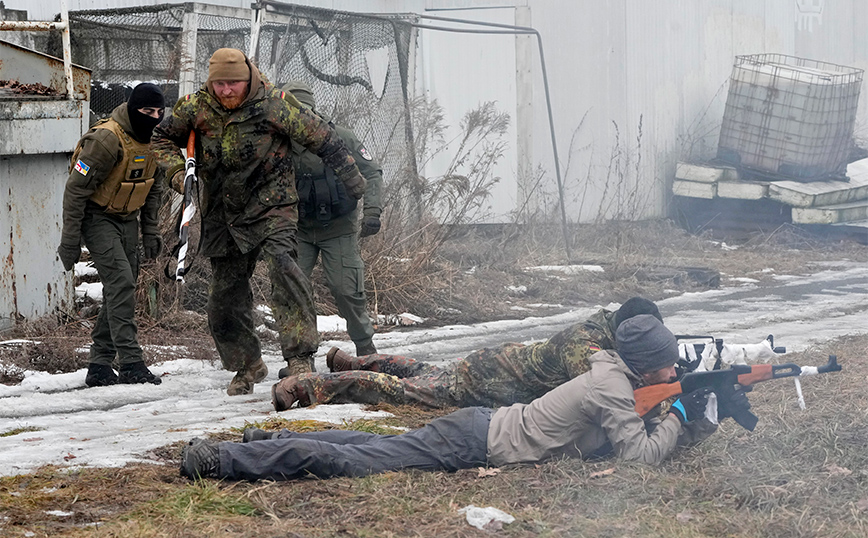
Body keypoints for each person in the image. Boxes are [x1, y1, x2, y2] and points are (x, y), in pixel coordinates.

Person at [180, 315, 748, 481]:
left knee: (373, 444)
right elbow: (639, 454)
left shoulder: (616, 375)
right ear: (647, 364)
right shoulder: (610, 385)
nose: (676, 370)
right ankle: (225, 459)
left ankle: (264, 441)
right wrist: (677, 413)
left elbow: (626, 433)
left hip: (480, 428)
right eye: (670, 363)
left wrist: (698, 416)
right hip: (476, 439)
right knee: (351, 459)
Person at [151, 49, 367, 395]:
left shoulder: (275, 104)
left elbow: (324, 139)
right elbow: (160, 139)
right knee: (224, 296)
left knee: (284, 269)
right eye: (219, 83)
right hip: (223, 213)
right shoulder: (195, 107)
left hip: (272, 206)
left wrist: (354, 181)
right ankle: (246, 365)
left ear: (248, 78)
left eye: (233, 83)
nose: (226, 91)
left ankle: (300, 358)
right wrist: (178, 173)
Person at [270, 297, 662, 410]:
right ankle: (306, 385)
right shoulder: (588, 345)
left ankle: (349, 361)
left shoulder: (601, 329)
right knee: (399, 391)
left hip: (493, 367)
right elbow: (600, 392)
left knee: (422, 371)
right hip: (487, 380)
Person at [57, 82, 166, 387]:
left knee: (121, 288)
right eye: (147, 111)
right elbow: (75, 190)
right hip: (97, 217)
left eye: (159, 111)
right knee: (121, 282)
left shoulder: (153, 141)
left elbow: (153, 188)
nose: (154, 117)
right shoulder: (106, 139)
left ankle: (99, 364)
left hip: (128, 218)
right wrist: (70, 241)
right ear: (133, 109)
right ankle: (131, 362)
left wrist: (151, 231)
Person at [279, 81, 383, 372]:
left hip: (338, 226)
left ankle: (365, 348)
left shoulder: (340, 137)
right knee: (293, 291)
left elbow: (372, 173)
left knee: (346, 288)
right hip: (298, 228)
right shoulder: (279, 142)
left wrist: (373, 212)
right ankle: (299, 359)